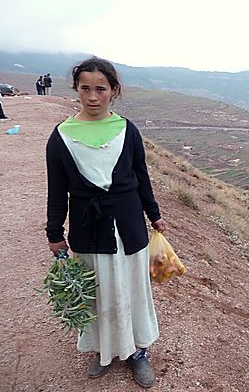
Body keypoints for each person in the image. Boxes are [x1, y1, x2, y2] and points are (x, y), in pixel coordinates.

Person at [45, 56, 165, 388]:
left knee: (133, 290)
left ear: (114, 90)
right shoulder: (61, 136)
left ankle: (139, 352)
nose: (93, 96)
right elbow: (57, 190)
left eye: (101, 89)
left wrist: (153, 214)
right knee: (97, 292)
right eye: (86, 88)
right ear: (77, 89)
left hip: (128, 224)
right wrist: (54, 232)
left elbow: (142, 177)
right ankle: (105, 351)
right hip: (88, 227)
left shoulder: (128, 130)